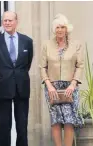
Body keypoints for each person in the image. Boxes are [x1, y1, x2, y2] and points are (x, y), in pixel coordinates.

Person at [0, 11, 33, 146]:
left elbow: (27, 64)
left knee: (22, 126)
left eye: (10, 20)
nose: (7, 23)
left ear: (16, 22)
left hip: (22, 87)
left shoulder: (27, 41)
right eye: (5, 20)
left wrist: (18, 77)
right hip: (3, 87)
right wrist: (0, 80)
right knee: (5, 126)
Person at [39, 14, 84, 146]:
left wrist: (73, 84)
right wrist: (49, 85)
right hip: (52, 87)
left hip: (70, 87)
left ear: (67, 29)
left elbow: (80, 66)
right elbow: (42, 67)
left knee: (69, 120)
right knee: (56, 120)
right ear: (54, 29)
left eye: (62, 27)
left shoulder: (76, 45)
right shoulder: (46, 45)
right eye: (57, 27)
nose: (60, 30)